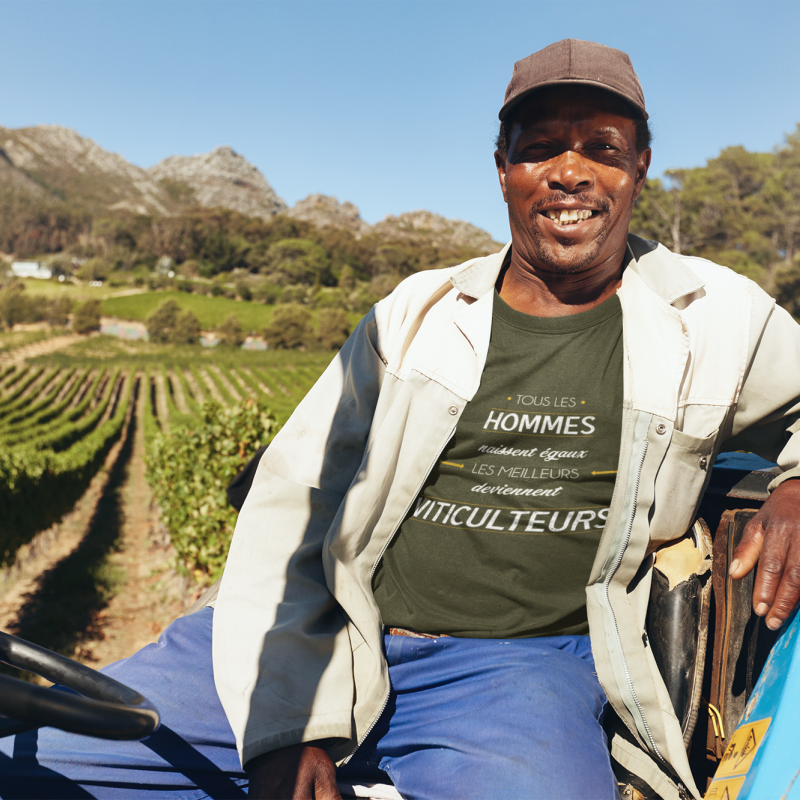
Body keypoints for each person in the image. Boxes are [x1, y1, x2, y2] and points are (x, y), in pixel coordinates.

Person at [2, 39, 800, 800]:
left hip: (515, 673)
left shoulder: (712, 313)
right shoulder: (414, 314)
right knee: (35, 768)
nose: (570, 173)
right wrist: (288, 719)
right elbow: (292, 505)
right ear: (501, 168)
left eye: (602, 147)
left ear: (639, 169)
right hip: (329, 629)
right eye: (541, 147)